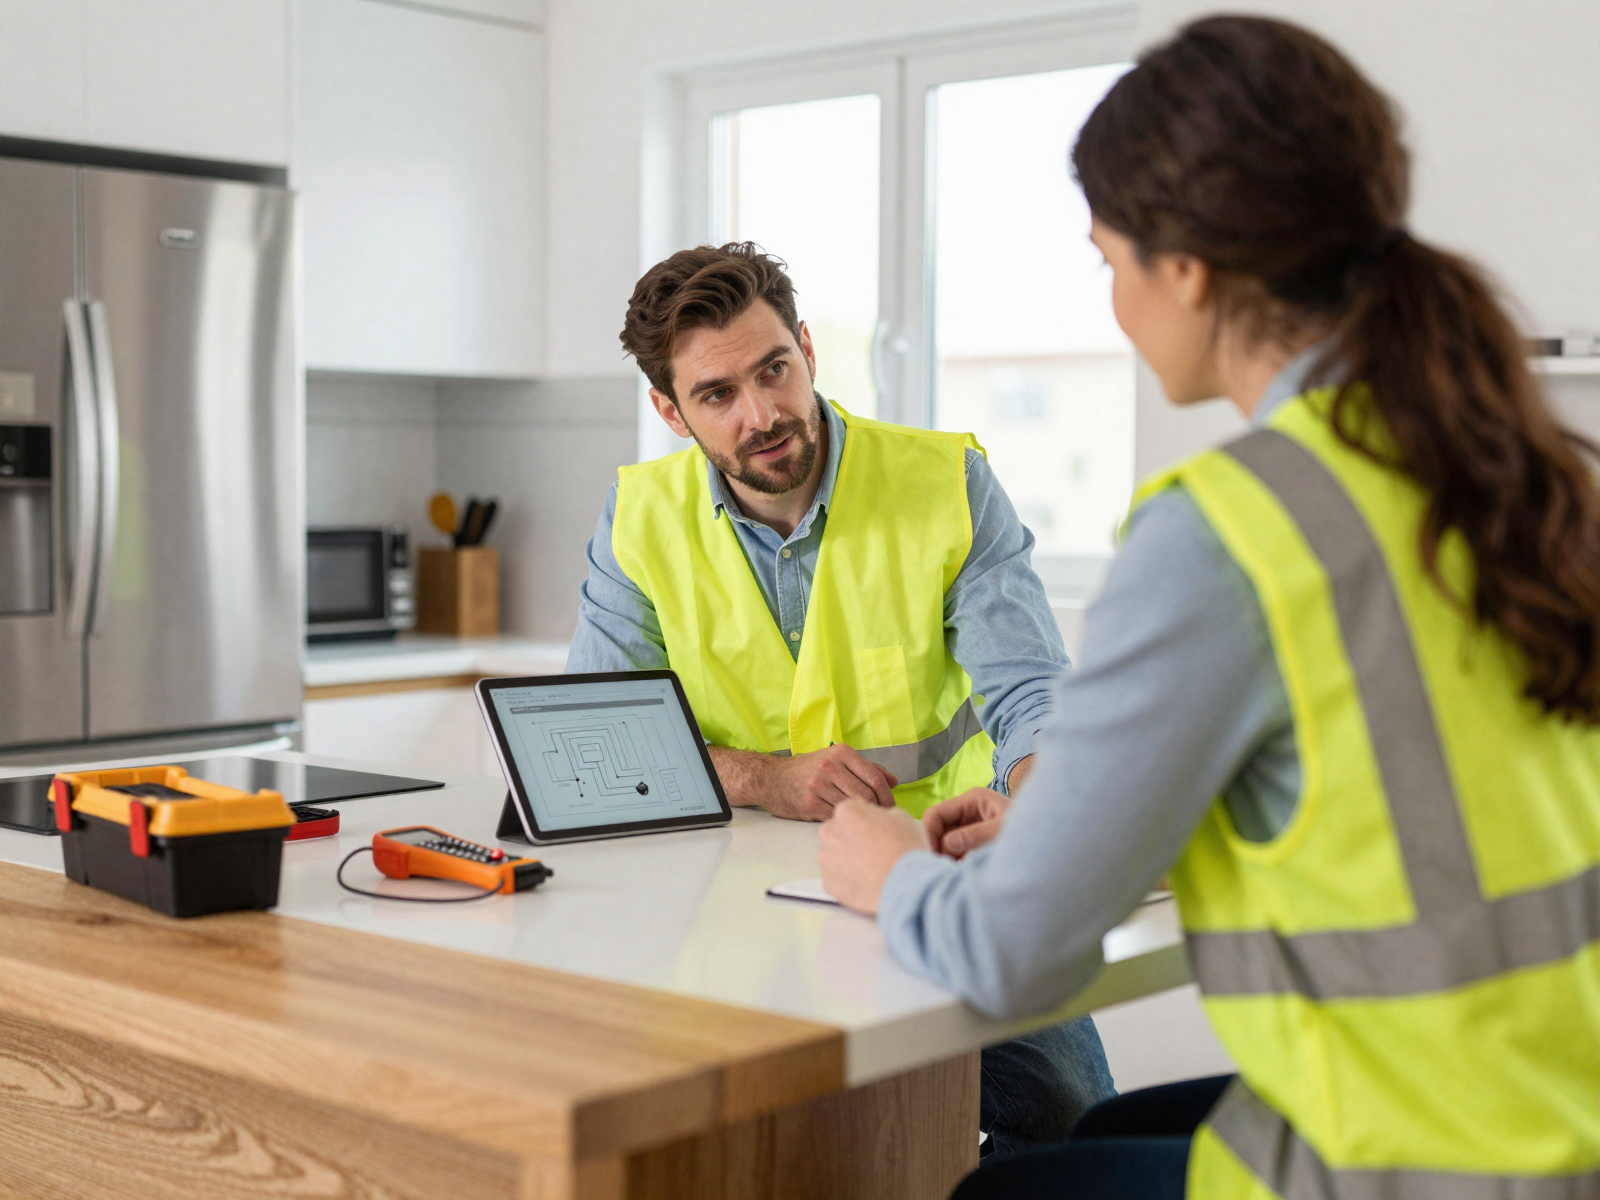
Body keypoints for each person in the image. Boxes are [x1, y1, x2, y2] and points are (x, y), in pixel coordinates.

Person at [817, 15, 1600, 1200]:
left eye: (1108, 260)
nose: (1116, 305)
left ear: (1183, 266)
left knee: (998, 1190)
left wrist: (887, 872)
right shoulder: (1504, 469)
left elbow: (1007, 959)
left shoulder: (1228, 528)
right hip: (1554, 1113)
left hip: (1416, 1160)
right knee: (1091, 1136)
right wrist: (1066, 821)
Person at [568, 243, 1115, 1152]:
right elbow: (597, 742)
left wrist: (1041, 801)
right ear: (670, 410)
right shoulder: (638, 517)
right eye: (717, 395)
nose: (763, 414)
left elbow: (1031, 695)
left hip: (942, 876)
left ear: (809, 350)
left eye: (774, 369)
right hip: (723, 908)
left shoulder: (946, 484)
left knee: (1066, 1121)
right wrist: (767, 780)